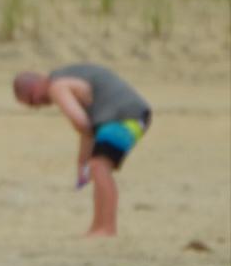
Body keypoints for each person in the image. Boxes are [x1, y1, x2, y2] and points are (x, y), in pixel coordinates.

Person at [12, 64, 152, 237]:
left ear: (36, 84)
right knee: (98, 166)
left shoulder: (57, 86)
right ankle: (99, 227)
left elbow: (81, 123)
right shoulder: (68, 75)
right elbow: (88, 129)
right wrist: (83, 164)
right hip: (131, 115)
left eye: (32, 100)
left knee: (100, 167)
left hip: (125, 116)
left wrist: (84, 165)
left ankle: (106, 228)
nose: (37, 106)